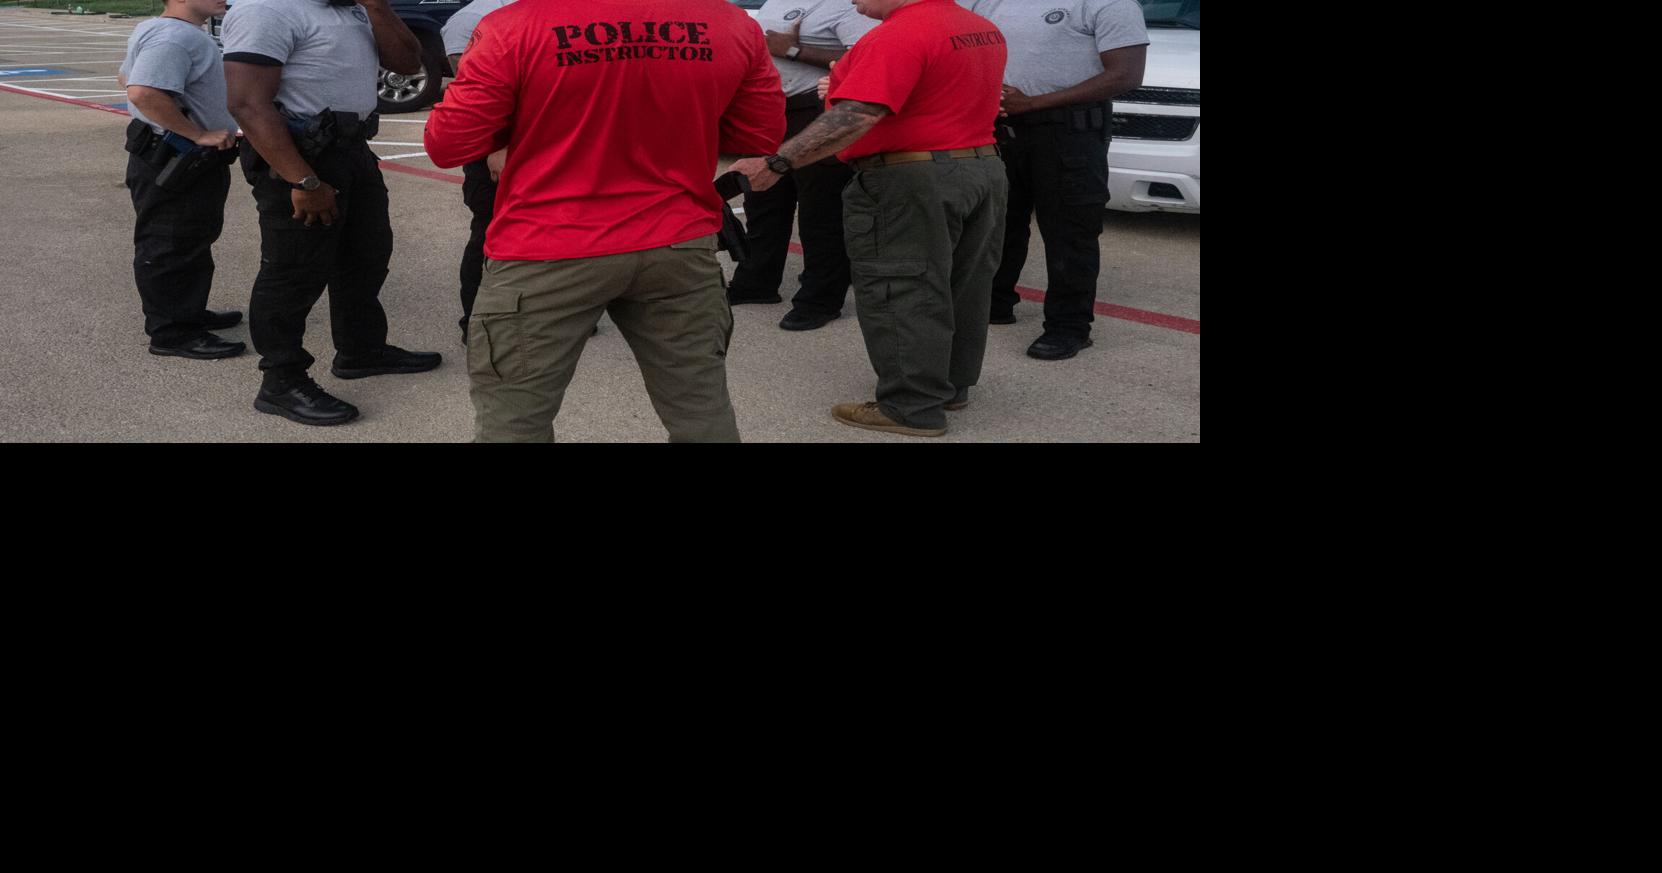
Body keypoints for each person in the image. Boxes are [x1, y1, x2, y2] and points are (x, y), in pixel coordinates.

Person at [424, 0, 785, 442]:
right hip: (678, 241)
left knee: (514, 420)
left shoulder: (512, 26)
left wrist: (530, 122)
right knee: (700, 411)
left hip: (547, 248)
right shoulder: (729, 22)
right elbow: (759, 135)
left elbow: (447, 144)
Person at [733, 0, 1007, 437]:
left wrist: (778, 163)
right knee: (963, 283)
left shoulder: (897, 35)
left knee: (902, 285)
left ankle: (910, 406)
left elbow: (857, 114)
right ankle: (949, 386)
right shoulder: (976, 26)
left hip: (911, 174)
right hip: (979, 164)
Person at [223, 0, 442, 426]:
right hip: (300, 156)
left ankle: (361, 351)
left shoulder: (355, 9)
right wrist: (301, 181)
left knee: (367, 255)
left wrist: (376, 7)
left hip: (351, 149)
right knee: (293, 271)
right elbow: (248, 103)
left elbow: (407, 61)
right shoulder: (267, 10)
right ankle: (281, 381)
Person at [964, 0, 1147, 360]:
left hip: (1068, 134)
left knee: (1069, 232)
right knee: (998, 223)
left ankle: (1069, 326)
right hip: (999, 129)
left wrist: (1033, 103)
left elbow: (1125, 75)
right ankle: (996, 303)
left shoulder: (1109, 3)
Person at [724, 0, 876, 332]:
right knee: (763, 201)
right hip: (773, 110)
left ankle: (820, 299)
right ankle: (756, 283)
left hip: (817, 112)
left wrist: (793, 50)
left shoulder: (847, 7)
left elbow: (867, 59)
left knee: (820, 212)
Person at [119, 0, 244, 360]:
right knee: (169, 241)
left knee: (190, 236)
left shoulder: (159, 29)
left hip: (170, 154)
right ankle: (172, 332)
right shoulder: (175, 37)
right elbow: (142, 91)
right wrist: (195, 132)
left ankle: (186, 312)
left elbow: (125, 76)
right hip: (175, 156)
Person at [441, 0, 515, 342]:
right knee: (490, 235)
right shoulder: (470, 19)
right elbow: (470, 98)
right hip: (495, 151)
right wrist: (494, 147)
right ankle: (476, 322)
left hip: (547, 147)